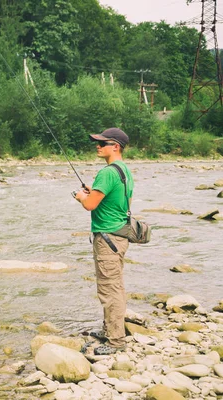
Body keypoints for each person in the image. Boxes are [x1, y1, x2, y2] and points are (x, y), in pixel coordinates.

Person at [74, 127, 134, 356]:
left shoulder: (107, 172)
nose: (97, 147)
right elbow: (118, 201)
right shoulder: (124, 171)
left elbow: (90, 205)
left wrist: (82, 197)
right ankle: (111, 331)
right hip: (119, 236)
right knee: (114, 286)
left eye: (102, 143)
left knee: (109, 290)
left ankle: (116, 341)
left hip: (107, 238)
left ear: (115, 146)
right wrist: (93, 191)